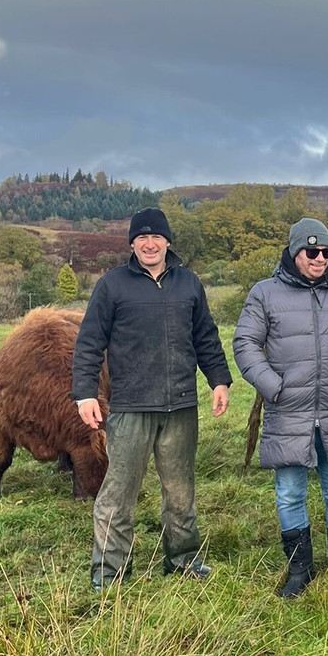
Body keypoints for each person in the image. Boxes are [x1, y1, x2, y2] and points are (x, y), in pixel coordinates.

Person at [72, 207, 232, 592]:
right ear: (132, 243)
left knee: (180, 491)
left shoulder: (189, 283)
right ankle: (109, 573)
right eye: (141, 237)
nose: (149, 243)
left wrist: (220, 381)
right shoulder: (112, 285)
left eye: (156, 236)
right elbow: (89, 342)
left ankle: (183, 560)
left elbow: (205, 337)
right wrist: (84, 394)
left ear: (167, 241)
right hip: (130, 407)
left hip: (180, 406)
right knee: (118, 493)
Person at [232, 218, 328, 598]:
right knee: (290, 492)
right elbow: (245, 343)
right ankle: (300, 569)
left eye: (326, 252)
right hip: (288, 411)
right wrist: (273, 388)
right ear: (295, 252)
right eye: (312, 251)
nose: (320, 258)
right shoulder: (265, 293)